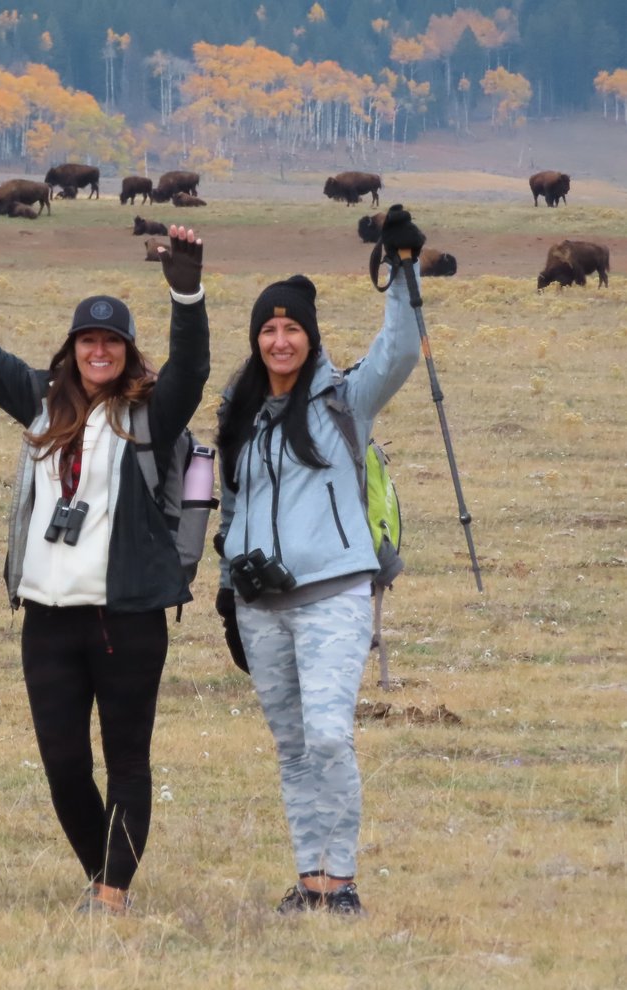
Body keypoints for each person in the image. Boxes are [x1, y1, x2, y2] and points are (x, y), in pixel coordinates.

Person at [0, 224, 209, 915]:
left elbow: (194, 369)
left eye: (111, 342)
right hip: (46, 619)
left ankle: (113, 892)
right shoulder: (39, 402)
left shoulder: (150, 416)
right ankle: (103, 873)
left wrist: (187, 292)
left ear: (126, 352)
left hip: (127, 619)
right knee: (63, 766)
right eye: (88, 340)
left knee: (126, 761)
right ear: (72, 348)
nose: (99, 351)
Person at [213, 205, 425, 917]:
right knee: (294, 746)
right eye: (268, 329)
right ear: (257, 338)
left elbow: (398, 351)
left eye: (291, 327)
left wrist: (401, 267)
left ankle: (344, 880)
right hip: (259, 605)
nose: (279, 340)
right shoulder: (240, 416)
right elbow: (232, 509)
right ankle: (310, 881)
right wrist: (226, 593)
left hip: (332, 591)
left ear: (310, 336)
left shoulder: (345, 402)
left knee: (331, 735)